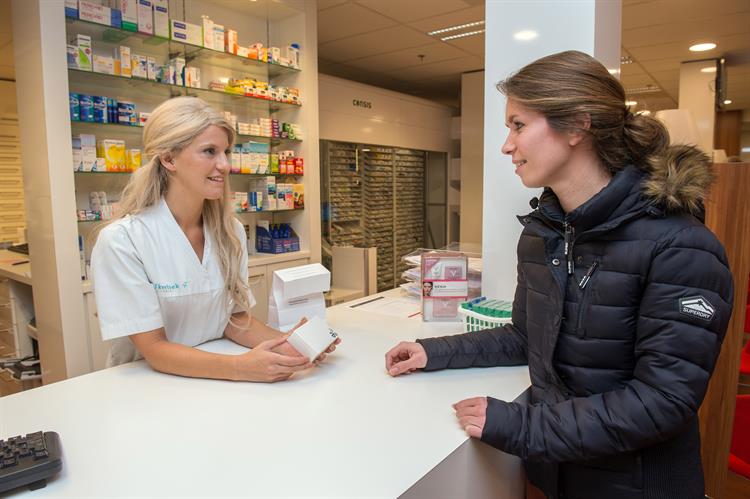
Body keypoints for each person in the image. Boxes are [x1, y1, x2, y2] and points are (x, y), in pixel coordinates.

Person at [385, 51, 733, 499]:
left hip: (637, 486)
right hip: (557, 474)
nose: (506, 146)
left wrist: (520, 425)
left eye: (518, 125)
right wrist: (432, 352)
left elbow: (662, 402)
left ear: (577, 126)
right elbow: (527, 338)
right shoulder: (544, 235)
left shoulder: (681, 247)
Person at [91, 96, 339, 382]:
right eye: (209, 151)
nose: (224, 164)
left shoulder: (229, 231)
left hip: (211, 381)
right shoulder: (123, 241)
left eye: (226, 152)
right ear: (169, 158)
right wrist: (241, 368)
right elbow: (155, 349)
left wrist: (291, 344)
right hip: (148, 387)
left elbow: (233, 320)